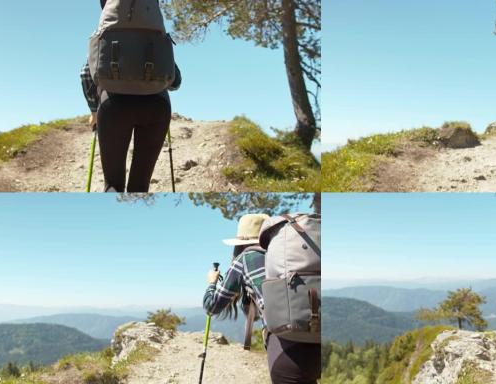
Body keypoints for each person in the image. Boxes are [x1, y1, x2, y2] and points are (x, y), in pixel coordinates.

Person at [203, 214, 321, 384]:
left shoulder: (244, 259)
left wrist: (212, 283)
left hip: (287, 350)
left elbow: (211, 306)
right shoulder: (287, 254)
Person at [80, 0, 182, 192]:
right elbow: (175, 81)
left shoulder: (105, 37)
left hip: (113, 106)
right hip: (157, 107)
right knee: (140, 186)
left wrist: (94, 111)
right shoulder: (157, 35)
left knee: (113, 185)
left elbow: (86, 75)